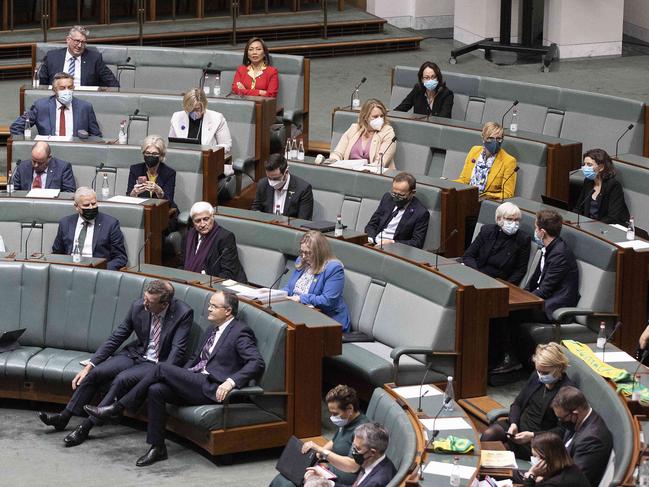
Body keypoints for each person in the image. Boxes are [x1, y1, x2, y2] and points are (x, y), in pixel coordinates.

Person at [85, 291, 265, 467]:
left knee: (162, 368)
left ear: (228, 311)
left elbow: (256, 362)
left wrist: (230, 382)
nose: (209, 309)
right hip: (194, 381)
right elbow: (196, 358)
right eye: (209, 305)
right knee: (156, 390)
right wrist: (179, 377)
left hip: (211, 387)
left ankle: (118, 407)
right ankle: (157, 447)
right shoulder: (212, 329)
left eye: (214, 306)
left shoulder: (240, 332)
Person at [37, 280, 192, 447]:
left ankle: (85, 427)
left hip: (156, 364)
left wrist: (163, 375)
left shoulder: (183, 313)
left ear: (164, 304)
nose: (144, 304)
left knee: (122, 379)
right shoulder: (138, 306)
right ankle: (64, 417)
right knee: (96, 373)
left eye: (150, 302)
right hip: (135, 354)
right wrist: (91, 364)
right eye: (144, 298)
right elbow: (117, 336)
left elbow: (177, 351)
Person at [493, 210, 580, 374]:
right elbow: (535, 279)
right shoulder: (549, 248)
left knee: (506, 314)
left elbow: (546, 289)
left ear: (542, 232)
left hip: (554, 307)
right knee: (502, 310)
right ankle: (501, 356)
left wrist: (522, 302)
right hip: (541, 300)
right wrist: (519, 295)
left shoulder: (560, 253)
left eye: (535, 227)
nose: (534, 230)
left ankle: (513, 360)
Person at [481, 343, 575, 460]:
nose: (541, 376)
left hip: (538, 439)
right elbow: (518, 403)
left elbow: (562, 431)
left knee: (498, 453)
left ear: (559, 368)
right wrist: (514, 423)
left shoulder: (567, 392)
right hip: (517, 427)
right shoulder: (537, 377)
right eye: (538, 371)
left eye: (545, 373)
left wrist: (532, 436)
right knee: (488, 435)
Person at [270, 385, 369, 487]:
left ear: (350, 409)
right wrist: (316, 454)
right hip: (330, 465)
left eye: (335, 414)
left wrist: (322, 452)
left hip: (347, 475)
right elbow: (335, 441)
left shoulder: (362, 431)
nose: (332, 417)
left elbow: (352, 466)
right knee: (286, 475)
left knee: (292, 482)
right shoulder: (346, 421)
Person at [284, 231, 351, 331]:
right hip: (299, 313)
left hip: (328, 321)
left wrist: (300, 299)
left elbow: (328, 301)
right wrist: (274, 294)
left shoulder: (333, 268)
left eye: (307, 253)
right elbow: (290, 288)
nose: (303, 256)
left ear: (319, 253)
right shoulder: (302, 261)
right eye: (301, 252)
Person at [51, 186, 128, 270]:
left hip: (97, 272)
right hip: (69, 271)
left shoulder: (110, 224)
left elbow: (120, 257)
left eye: (94, 203)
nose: (91, 207)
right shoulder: (65, 223)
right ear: (76, 207)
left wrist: (102, 271)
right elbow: (56, 254)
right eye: (86, 205)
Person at [551, 386, 613, 487]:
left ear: (575, 414)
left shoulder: (592, 440)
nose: (560, 422)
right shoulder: (577, 421)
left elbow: (575, 481)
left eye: (561, 419)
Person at [10, 71, 102, 138]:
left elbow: (96, 136)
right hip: (49, 153)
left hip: (76, 151)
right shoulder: (40, 106)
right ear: (54, 90)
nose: (67, 91)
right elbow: (16, 127)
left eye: (70, 88)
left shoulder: (85, 107)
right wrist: (26, 146)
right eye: (62, 88)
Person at [305, 422, 396, 487]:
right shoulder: (375, 462)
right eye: (353, 446)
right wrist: (326, 483)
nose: (353, 451)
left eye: (358, 448)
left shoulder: (377, 481)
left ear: (372, 452)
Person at [462, 201, 531, 284]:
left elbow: (520, 270)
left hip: (498, 282)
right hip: (477, 272)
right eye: (509, 219)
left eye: (516, 220)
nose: (513, 223)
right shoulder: (487, 230)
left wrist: (505, 287)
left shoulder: (523, 239)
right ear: (499, 219)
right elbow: (468, 255)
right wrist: (477, 274)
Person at [182, 201, 247, 283]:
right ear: (193, 222)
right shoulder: (188, 236)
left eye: (206, 219)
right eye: (198, 221)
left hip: (216, 285)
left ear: (212, 216)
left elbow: (228, 273)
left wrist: (205, 284)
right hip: (192, 283)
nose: (202, 224)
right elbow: (182, 265)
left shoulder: (225, 237)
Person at [38, 25, 119, 88]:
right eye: (77, 41)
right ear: (68, 40)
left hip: (84, 100)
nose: (80, 45)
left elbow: (113, 83)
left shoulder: (94, 58)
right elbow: (41, 84)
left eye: (83, 42)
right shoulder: (52, 56)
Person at [364, 172, 429, 248]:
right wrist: (371, 238)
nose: (396, 198)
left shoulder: (421, 213)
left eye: (401, 195)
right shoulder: (387, 198)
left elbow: (417, 242)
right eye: (394, 193)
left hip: (394, 249)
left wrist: (393, 242)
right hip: (374, 243)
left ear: (412, 193)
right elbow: (372, 224)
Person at [455, 121, 517, 200]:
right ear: (483, 138)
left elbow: (508, 193)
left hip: (485, 201)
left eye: (498, 139)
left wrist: (487, 196)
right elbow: (464, 180)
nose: (495, 142)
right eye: (491, 138)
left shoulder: (509, 161)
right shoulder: (474, 151)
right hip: (466, 196)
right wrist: (447, 183)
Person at [329, 99, 396, 169]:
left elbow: (380, 163)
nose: (380, 119)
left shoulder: (388, 132)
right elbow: (338, 153)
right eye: (375, 116)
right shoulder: (354, 128)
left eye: (382, 116)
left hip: (372, 175)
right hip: (349, 172)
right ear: (365, 117)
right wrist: (334, 161)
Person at [574, 148, 630, 226]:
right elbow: (578, 208)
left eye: (589, 165)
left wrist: (591, 224)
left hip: (607, 227)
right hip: (589, 225)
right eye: (584, 164)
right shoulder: (588, 182)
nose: (585, 168)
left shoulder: (613, 185)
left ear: (601, 167)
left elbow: (613, 217)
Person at [251, 153, 314, 220]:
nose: (272, 182)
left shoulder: (303, 189)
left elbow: (303, 220)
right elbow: (255, 209)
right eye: (269, 178)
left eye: (276, 178)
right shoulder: (263, 184)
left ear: (286, 172)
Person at [127, 135, 177, 210]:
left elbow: (169, 203)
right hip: (141, 210)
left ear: (161, 156)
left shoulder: (169, 173)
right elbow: (128, 198)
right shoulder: (135, 169)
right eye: (147, 153)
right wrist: (134, 193)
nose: (150, 156)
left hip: (161, 212)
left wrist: (159, 192)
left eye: (154, 154)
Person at [521, 432, 590, 487]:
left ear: (547, 459)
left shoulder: (555, 483)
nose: (533, 459)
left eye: (535, 456)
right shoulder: (572, 468)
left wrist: (531, 475)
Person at [12, 141, 76, 192]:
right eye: (34, 161)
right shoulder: (22, 167)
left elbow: (69, 192)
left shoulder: (63, 168)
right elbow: (14, 190)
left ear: (49, 158)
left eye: (40, 162)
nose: (36, 165)